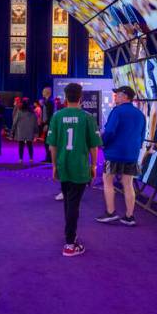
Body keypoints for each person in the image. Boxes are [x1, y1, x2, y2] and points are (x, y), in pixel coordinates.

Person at [47, 83, 101, 257]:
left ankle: (69, 234)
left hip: (63, 165)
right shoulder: (87, 117)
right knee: (73, 204)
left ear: (65, 97)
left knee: (68, 201)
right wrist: (93, 166)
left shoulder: (57, 116)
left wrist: (54, 165)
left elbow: (52, 146)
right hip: (79, 167)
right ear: (80, 97)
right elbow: (94, 147)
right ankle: (70, 243)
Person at [96, 86, 146, 226]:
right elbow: (142, 136)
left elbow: (110, 131)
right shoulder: (140, 114)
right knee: (128, 184)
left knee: (108, 181)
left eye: (117, 94)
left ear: (125, 96)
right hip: (132, 154)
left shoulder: (117, 111)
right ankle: (129, 217)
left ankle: (111, 213)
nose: (115, 97)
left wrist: (103, 143)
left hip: (114, 153)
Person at [11, 98, 38, 163]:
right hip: (29, 131)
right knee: (29, 145)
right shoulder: (32, 112)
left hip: (21, 131)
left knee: (21, 145)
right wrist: (36, 132)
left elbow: (15, 122)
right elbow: (35, 123)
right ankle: (31, 158)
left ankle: (20, 159)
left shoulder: (19, 112)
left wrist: (12, 130)